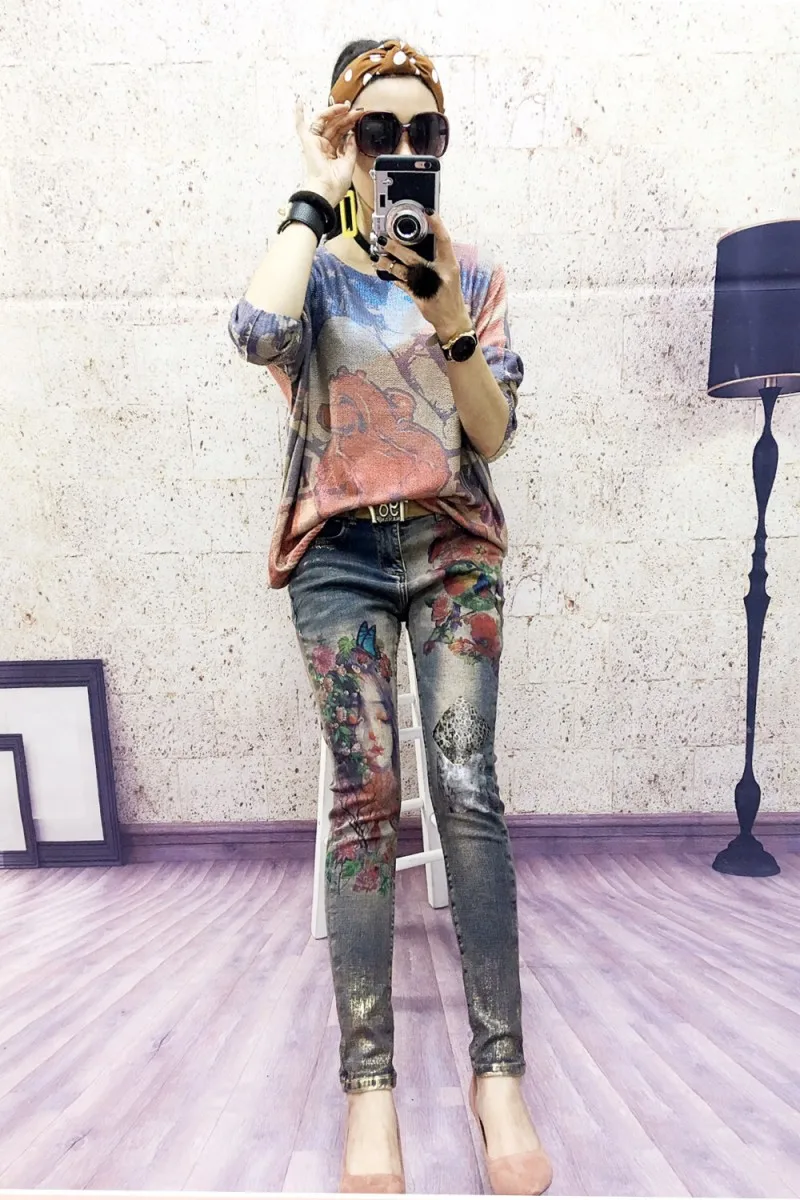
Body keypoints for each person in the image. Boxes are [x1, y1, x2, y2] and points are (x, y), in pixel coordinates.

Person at [228, 36, 553, 1196]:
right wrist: (310, 201)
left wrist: (444, 304)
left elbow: (491, 433)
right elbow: (254, 333)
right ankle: (368, 1087)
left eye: (426, 133)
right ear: (347, 142)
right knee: (364, 800)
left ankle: (496, 1076)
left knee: (465, 787)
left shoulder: (474, 272)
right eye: (381, 131)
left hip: (450, 547)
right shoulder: (311, 270)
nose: (405, 149)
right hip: (340, 558)